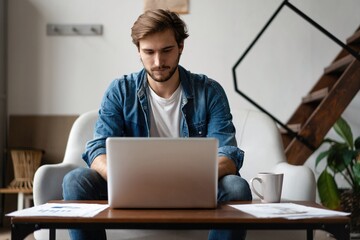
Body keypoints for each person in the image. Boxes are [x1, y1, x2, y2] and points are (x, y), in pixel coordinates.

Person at [62, 9, 252, 240]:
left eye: (167, 51)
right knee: (75, 181)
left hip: (195, 185)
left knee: (236, 187)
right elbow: (97, 149)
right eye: (149, 52)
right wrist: (120, 177)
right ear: (138, 51)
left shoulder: (209, 91)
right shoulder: (120, 91)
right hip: (133, 186)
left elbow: (228, 154)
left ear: (181, 46)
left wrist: (191, 176)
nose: (158, 62)